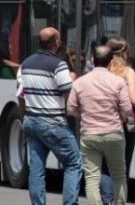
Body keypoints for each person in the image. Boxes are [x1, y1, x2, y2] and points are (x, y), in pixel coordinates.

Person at [17, 27, 82, 205]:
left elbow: (21, 94)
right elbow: (68, 93)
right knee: (73, 163)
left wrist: (26, 116)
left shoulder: (26, 64)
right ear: (57, 43)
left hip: (31, 121)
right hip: (53, 122)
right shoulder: (59, 65)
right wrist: (73, 79)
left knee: (36, 168)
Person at [67, 45, 133, 205]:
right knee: (118, 175)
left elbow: (70, 109)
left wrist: (84, 115)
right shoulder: (118, 82)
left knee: (91, 178)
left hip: (89, 135)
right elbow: (127, 109)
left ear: (93, 61)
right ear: (111, 62)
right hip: (113, 134)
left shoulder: (80, 82)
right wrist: (119, 118)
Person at [101, 36, 135, 204]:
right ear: (124, 53)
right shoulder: (128, 72)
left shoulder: (102, 69)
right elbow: (134, 99)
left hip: (103, 122)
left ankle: (107, 201)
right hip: (123, 125)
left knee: (105, 167)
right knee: (122, 166)